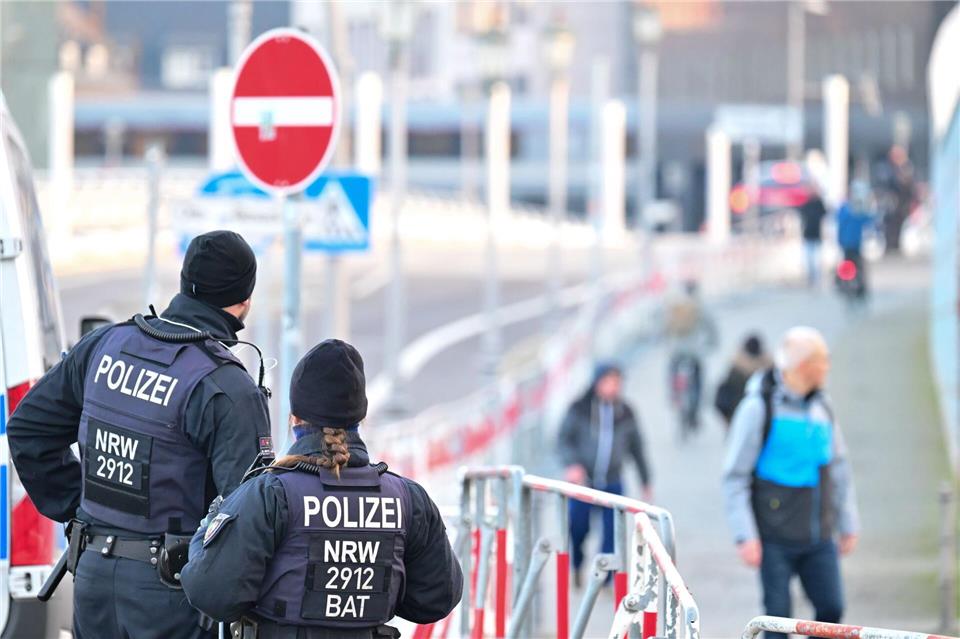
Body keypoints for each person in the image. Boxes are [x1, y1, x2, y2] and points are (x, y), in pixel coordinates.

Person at [8, 230, 271, 639]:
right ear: (244, 301)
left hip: (92, 578)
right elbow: (250, 517)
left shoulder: (105, 345)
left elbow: (28, 429)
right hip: (172, 591)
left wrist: (81, 509)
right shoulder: (226, 386)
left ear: (185, 282)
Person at [181, 339, 463, 638]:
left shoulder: (271, 494)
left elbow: (211, 593)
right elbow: (436, 598)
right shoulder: (408, 499)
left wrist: (208, 528)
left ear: (295, 418)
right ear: (361, 418)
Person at [722, 327, 859, 639]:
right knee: (777, 619)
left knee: (831, 611)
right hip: (773, 537)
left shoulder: (823, 407)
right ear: (803, 366)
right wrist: (745, 536)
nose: (827, 368)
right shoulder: (758, 408)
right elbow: (735, 476)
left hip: (818, 534)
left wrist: (848, 522)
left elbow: (839, 469)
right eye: (821, 362)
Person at [557, 363, 652, 586]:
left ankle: (604, 579)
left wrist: (646, 480)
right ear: (597, 382)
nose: (613, 387)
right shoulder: (579, 408)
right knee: (578, 527)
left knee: (612, 534)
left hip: (613, 481)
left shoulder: (626, 412)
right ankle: (577, 565)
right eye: (609, 381)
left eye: (617, 382)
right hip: (584, 483)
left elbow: (637, 448)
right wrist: (572, 464)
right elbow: (563, 440)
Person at [663, 280, 719, 430]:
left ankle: (674, 396)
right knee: (698, 381)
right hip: (694, 352)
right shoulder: (699, 306)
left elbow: (663, 327)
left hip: (675, 351)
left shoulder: (673, 306)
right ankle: (694, 414)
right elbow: (711, 327)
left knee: (672, 374)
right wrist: (712, 343)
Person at [713, 334, 772, 428]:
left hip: (738, 417)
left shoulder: (736, 367)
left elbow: (721, 398)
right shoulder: (768, 370)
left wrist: (728, 418)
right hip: (762, 420)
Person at [836, 181, 876, 298]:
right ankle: (846, 286)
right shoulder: (848, 209)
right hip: (847, 243)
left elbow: (868, 220)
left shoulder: (856, 209)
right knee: (850, 266)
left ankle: (857, 288)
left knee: (856, 266)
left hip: (855, 243)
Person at [799, 186, 828, 287]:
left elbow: (825, 215)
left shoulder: (819, 204)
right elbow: (802, 217)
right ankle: (811, 280)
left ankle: (817, 281)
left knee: (816, 261)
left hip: (817, 236)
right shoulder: (806, 204)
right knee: (809, 262)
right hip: (807, 235)